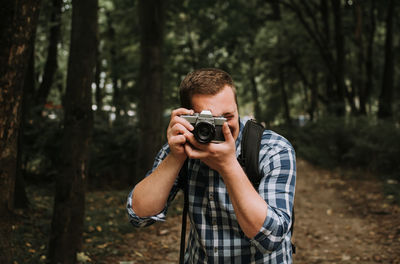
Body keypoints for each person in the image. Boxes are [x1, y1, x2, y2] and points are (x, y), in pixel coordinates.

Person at [127, 68, 296, 263]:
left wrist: (228, 165)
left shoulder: (273, 149)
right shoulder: (181, 147)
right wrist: (175, 157)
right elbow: (138, 216)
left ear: (237, 108)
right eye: (209, 120)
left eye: (228, 116)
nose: (221, 126)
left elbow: (271, 239)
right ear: (187, 117)